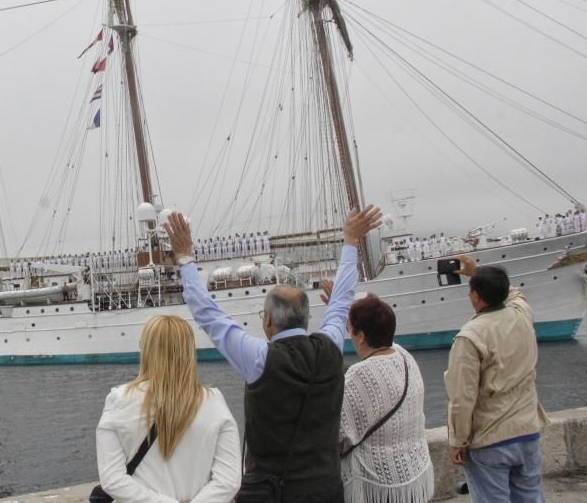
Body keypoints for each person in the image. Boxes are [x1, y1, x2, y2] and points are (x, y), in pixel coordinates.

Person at [165, 205, 382, 503]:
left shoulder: (259, 359)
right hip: (327, 488)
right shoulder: (331, 347)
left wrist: (185, 257)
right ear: (305, 318)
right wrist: (350, 241)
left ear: (268, 320)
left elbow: (208, 315)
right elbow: (342, 299)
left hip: (274, 492)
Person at [95, 315, 241, 502]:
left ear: (146, 349)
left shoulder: (119, 400)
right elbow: (229, 481)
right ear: (189, 351)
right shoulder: (213, 401)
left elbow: (112, 480)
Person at [444, 258, 548, 503]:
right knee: (532, 497)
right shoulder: (522, 315)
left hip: (490, 438)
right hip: (527, 430)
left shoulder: (470, 337)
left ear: (476, 297)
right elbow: (516, 294)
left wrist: (458, 440)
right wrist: (477, 273)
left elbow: (462, 397)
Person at [338, 295, 434, 502]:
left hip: (378, 484)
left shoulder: (357, 376)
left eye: (350, 328)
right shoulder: (404, 356)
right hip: (415, 472)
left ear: (361, 336)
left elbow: (340, 434)